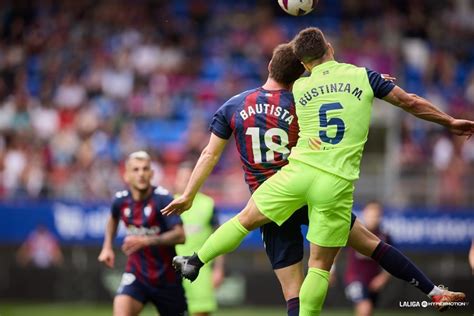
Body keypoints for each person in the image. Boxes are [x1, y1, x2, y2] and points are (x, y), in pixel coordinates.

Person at [163, 43, 467, 314]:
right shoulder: (301, 99)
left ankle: (196, 260)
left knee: (282, 278)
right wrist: (369, 86)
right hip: (320, 186)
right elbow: (345, 95)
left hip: (277, 193)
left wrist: (189, 194)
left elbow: (208, 155)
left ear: (270, 66)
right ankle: (432, 291)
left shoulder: (233, 106)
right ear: (301, 71)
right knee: (364, 248)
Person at [98, 151, 187, 316]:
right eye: (136, 169)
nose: (141, 174)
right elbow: (112, 219)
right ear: (126, 176)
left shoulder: (163, 199)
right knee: (120, 308)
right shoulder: (120, 200)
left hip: (166, 278)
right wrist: (107, 247)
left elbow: (180, 235)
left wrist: (147, 241)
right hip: (137, 275)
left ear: (151, 174)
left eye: (145, 169)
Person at [174, 161, 225, 316]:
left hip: (200, 270)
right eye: (182, 178)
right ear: (176, 180)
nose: (185, 182)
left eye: (189, 179)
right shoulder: (168, 203)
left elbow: (220, 239)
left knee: (201, 311)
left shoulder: (208, 204)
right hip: (171, 270)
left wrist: (218, 269)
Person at [344, 202, 391, 316]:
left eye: (376, 215)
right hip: (354, 279)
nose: (373, 218)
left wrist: (382, 278)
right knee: (365, 307)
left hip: (373, 282)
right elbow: (335, 249)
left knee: (367, 311)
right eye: (371, 214)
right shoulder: (354, 231)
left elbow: (392, 262)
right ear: (364, 214)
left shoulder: (384, 236)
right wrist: (331, 269)